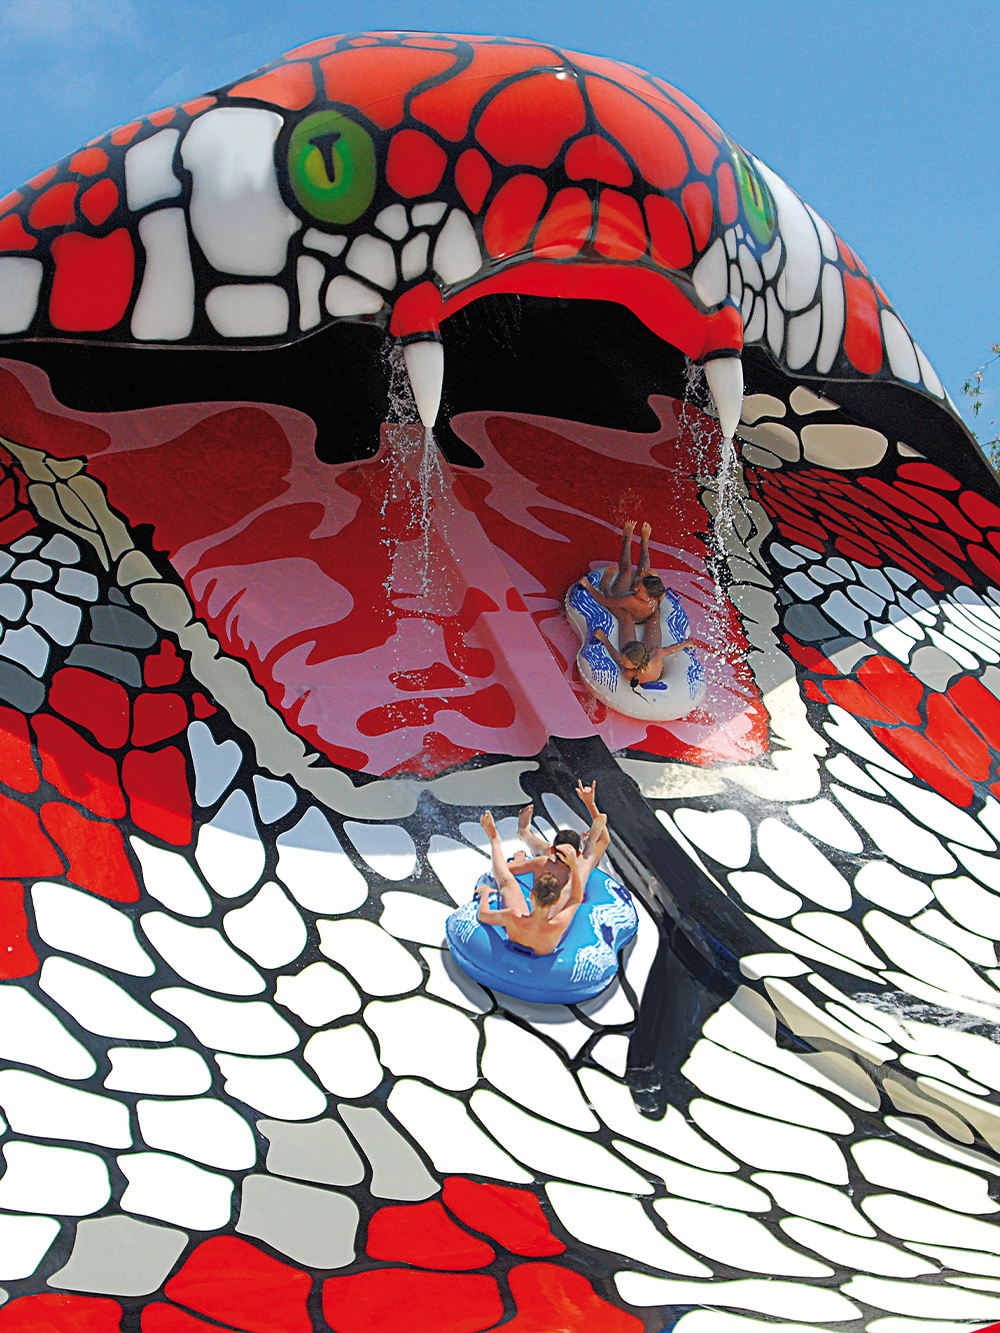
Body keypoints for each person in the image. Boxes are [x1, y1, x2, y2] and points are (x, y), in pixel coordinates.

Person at [476, 806, 606, 955]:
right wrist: (574, 866)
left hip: (517, 936)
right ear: (555, 900)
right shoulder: (558, 924)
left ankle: (495, 839)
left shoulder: (512, 917)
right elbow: (576, 898)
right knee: (577, 878)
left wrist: (485, 894)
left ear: (531, 894)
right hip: (545, 947)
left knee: (507, 882)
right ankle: (588, 842)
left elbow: (483, 914)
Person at [585, 520, 666, 627]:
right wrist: (652, 576)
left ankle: (627, 541)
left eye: (639, 589)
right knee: (644, 571)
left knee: (627, 571)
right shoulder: (659, 595)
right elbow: (651, 586)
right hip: (636, 604)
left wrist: (588, 586)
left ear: (650, 598)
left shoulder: (631, 599)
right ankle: (645, 544)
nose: (635, 588)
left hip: (623, 610)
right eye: (638, 586)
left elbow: (605, 601)